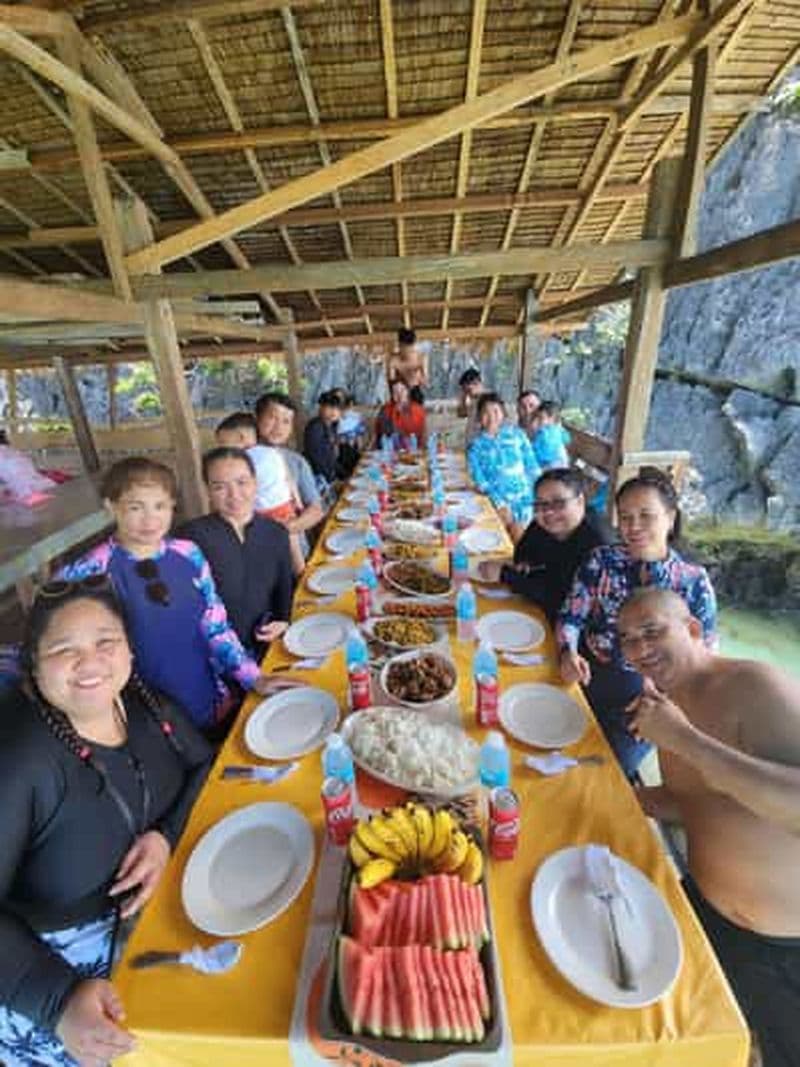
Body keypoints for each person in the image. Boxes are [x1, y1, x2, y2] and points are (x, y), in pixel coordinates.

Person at [0, 580, 212, 1067]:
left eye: (105, 642)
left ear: (129, 651)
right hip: (58, 985)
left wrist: (165, 837)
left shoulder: (142, 703)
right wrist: (57, 1001)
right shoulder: (19, 759)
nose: (89, 661)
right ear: (34, 666)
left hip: (160, 932)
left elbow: (207, 766)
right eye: (63, 649)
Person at [619, 588, 800, 1067]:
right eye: (628, 640)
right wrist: (623, 799)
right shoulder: (664, 705)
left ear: (694, 630)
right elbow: (697, 803)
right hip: (704, 920)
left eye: (653, 631)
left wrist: (685, 740)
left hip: (788, 949)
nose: (639, 649)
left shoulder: (756, 688)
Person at [58, 457, 274, 737]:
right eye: (135, 507)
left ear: (172, 506)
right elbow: (49, 631)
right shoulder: (91, 570)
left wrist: (252, 677)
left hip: (208, 698)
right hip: (144, 720)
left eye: (160, 506)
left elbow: (215, 625)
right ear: (111, 507)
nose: (150, 519)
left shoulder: (188, 553)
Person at [556, 467, 717, 777]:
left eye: (646, 515)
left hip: (645, 696)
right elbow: (571, 615)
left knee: (605, 771)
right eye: (626, 517)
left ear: (670, 518)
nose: (634, 526)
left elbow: (704, 657)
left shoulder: (693, 582)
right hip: (587, 672)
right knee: (548, 735)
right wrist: (567, 652)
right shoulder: (600, 560)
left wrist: (666, 704)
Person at [178, 448, 293, 659]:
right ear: (208, 491)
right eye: (220, 486)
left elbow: (284, 588)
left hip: (267, 646)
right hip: (215, 655)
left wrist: (283, 620)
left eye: (242, 483)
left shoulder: (276, 532)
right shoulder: (189, 538)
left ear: (255, 482)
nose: (234, 495)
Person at [478, 468, 614, 621]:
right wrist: (525, 562)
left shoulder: (600, 547)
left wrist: (506, 575)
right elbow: (523, 550)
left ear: (580, 502)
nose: (548, 511)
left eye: (559, 502)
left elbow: (566, 603)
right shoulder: (544, 523)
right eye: (540, 504)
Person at [255, 392, 325, 557]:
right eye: (272, 418)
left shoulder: (296, 462)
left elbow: (316, 510)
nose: (279, 427)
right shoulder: (242, 462)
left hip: (297, 550)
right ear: (257, 418)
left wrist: (285, 530)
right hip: (257, 553)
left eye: (286, 421)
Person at [467, 392, 540, 528]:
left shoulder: (517, 435)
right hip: (496, 503)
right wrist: (498, 502)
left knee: (524, 536)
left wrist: (537, 497)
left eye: (496, 411)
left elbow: (532, 467)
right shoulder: (475, 447)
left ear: (503, 414)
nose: (491, 417)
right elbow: (480, 480)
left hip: (525, 500)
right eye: (485, 413)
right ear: (479, 418)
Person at [303, 390, 343, 495]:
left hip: (329, 475)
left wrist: (342, 474)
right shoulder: (315, 427)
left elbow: (332, 456)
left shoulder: (332, 426)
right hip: (318, 480)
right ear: (320, 408)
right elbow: (317, 459)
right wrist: (333, 480)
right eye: (329, 407)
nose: (334, 411)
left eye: (337, 408)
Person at [375, 378, 426, 449]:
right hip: (390, 450)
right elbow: (382, 434)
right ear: (391, 394)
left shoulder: (417, 410)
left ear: (408, 392)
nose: (399, 394)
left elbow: (418, 434)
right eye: (395, 391)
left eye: (402, 390)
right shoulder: (385, 410)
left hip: (413, 451)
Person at [386, 327, 427, 404]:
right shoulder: (393, 360)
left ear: (414, 345)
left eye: (411, 348)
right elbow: (390, 382)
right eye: (405, 348)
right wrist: (402, 382)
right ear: (400, 346)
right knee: (398, 389)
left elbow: (425, 380)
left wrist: (417, 378)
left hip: (415, 393)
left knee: (416, 395)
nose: (408, 351)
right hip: (399, 394)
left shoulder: (421, 358)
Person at [531, 400, 571, 469]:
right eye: (537, 417)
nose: (538, 421)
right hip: (562, 464)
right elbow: (567, 439)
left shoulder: (544, 433)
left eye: (541, 418)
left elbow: (542, 454)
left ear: (551, 418)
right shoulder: (559, 429)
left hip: (551, 466)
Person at [334, 391, 366, 478]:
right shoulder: (334, 419)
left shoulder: (357, 417)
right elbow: (334, 440)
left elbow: (360, 439)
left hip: (351, 449)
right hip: (340, 451)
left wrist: (361, 450)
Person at [457, 367, 483, 447]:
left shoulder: (486, 402)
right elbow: (461, 414)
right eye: (463, 389)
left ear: (476, 383)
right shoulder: (473, 401)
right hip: (472, 445)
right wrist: (464, 397)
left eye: (466, 389)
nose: (465, 391)